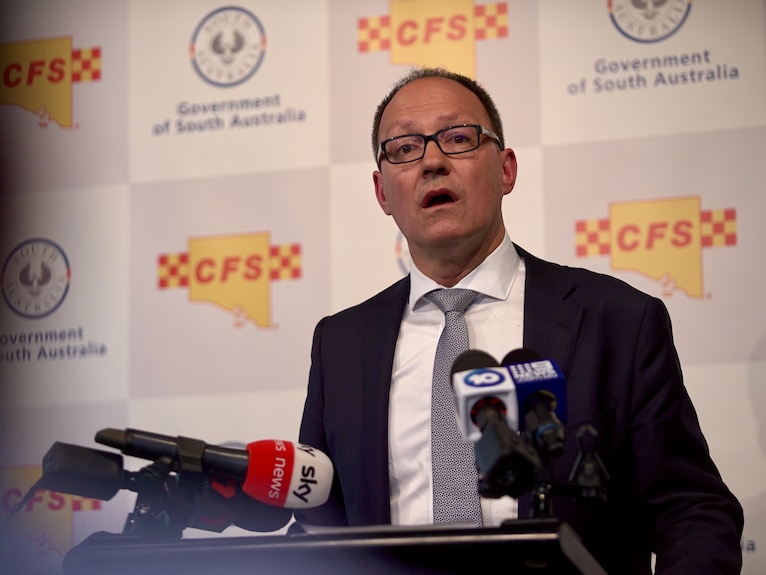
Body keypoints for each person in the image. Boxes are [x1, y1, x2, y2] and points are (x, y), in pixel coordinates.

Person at [292, 67, 743, 574]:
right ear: (381, 192)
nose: (433, 162)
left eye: (458, 138)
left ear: (506, 170)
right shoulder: (341, 344)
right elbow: (317, 530)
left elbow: (693, 511)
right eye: (404, 149)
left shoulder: (616, 321)